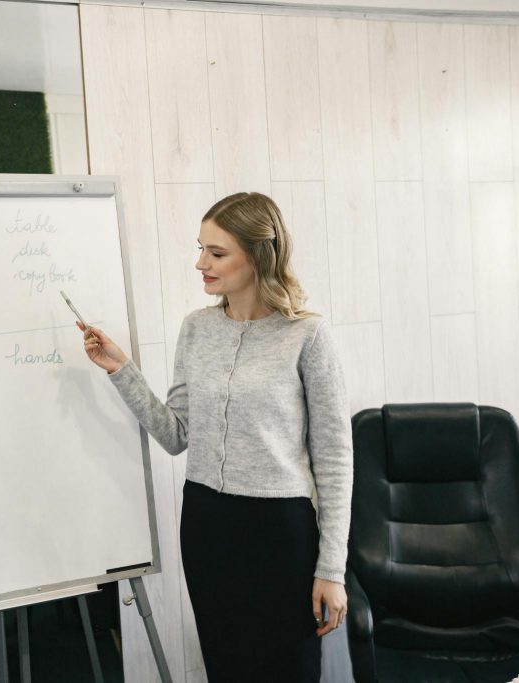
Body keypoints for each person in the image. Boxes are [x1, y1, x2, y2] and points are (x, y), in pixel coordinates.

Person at [79, 192, 353, 681]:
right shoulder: (197, 329)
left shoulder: (307, 336)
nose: (201, 263)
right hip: (207, 523)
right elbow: (176, 434)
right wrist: (121, 369)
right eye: (200, 248)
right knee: (226, 668)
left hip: (280, 531)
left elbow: (334, 459)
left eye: (217, 253)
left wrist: (331, 568)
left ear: (259, 255)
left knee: (289, 669)